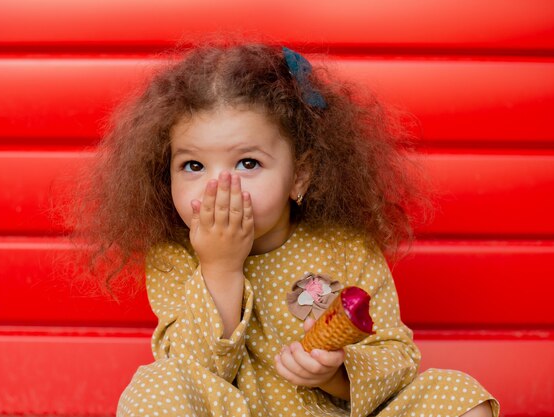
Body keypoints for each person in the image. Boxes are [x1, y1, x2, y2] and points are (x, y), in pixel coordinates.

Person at [66, 41, 500, 417]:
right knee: (154, 385)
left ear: (300, 176)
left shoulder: (343, 247)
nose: (221, 187)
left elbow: (396, 356)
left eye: (248, 163)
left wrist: (337, 374)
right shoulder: (176, 257)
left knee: (458, 394)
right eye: (193, 165)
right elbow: (190, 373)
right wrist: (220, 269)